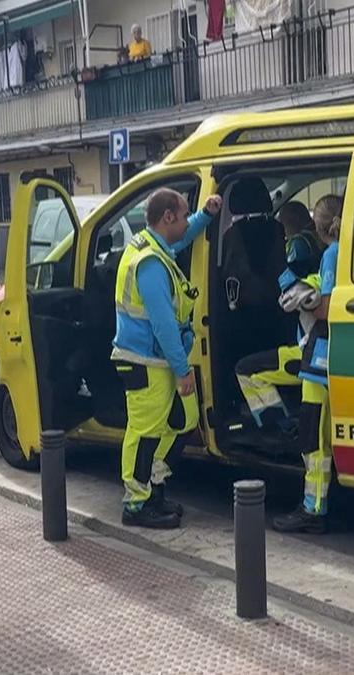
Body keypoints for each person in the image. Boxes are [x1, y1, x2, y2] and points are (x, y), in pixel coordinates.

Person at [112, 188, 223, 529]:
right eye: (185, 214)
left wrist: (205, 215)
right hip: (146, 360)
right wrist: (182, 370)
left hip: (156, 359)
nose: (187, 221)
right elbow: (163, 325)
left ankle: (154, 486)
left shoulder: (155, 246)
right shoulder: (150, 264)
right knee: (145, 433)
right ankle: (136, 504)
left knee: (184, 421)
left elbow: (183, 236)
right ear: (168, 217)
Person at [273, 194, 343, 534]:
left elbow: (326, 308)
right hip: (335, 353)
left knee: (313, 437)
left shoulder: (332, 253)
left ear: (318, 224)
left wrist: (300, 295)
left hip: (321, 355)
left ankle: (313, 508)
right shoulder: (348, 248)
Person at [233, 201, 323, 434]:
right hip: (318, 349)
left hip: (312, 353)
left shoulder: (298, 258)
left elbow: (288, 301)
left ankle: (279, 427)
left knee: (245, 369)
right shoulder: (322, 254)